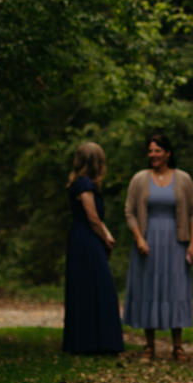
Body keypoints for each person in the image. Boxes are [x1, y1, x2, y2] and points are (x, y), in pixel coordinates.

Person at [123, 133, 193, 360]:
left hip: (176, 241)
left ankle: (177, 345)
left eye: (157, 151)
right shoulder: (139, 179)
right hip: (148, 242)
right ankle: (149, 345)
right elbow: (129, 211)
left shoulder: (183, 178)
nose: (153, 155)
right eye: (150, 151)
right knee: (149, 288)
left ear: (168, 153)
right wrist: (139, 238)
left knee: (175, 289)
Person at [62, 142, 125, 356]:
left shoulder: (80, 184)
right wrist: (106, 235)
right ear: (96, 162)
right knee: (99, 286)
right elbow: (92, 217)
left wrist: (106, 234)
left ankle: (90, 341)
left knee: (89, 286)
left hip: (83, 237)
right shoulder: (85, 185)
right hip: (86, 239)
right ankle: (96, 342)